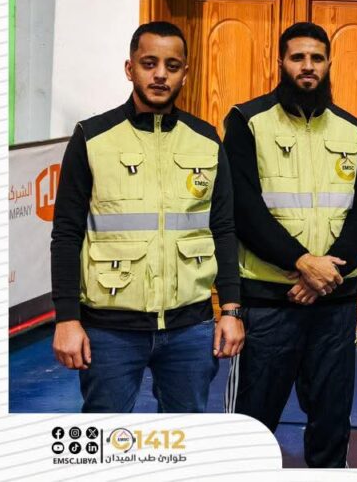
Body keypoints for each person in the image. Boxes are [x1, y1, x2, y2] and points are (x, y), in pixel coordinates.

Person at [50, 21, 244, 412]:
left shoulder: (206, 139)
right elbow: (67, 233)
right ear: (130, 68)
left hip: (190, 329)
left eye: (172, 66)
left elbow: (223, 229)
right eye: (149, 63)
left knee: (183, 436)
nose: (160, 75)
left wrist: (231, 310)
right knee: (106, 436)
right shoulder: (92, 137)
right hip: (110, 330)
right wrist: (67, 319)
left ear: (185, 73)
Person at [223, 22, 357, 468]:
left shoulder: (349, 127)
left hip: (334, 302)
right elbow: (243, 208)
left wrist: (327, 274)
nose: (308, 67)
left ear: (328, 63)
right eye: (297, 57)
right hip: (270, 301)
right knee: (252, 422)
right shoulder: (247, 120)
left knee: (331, 419)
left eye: (317, 58)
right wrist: (303, 262)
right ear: (281, 62)